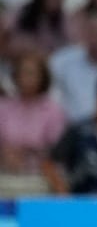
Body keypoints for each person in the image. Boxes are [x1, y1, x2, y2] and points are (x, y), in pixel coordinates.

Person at [0, 53, 67, 195]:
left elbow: (58, 152)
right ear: (15, 76)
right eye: (23, 72)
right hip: (5, 174)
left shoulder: (53, 111)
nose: (27, 78)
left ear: (42, 77)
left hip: (39, 178)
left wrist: (27, 152)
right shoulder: (4, 108)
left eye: (31, 73)